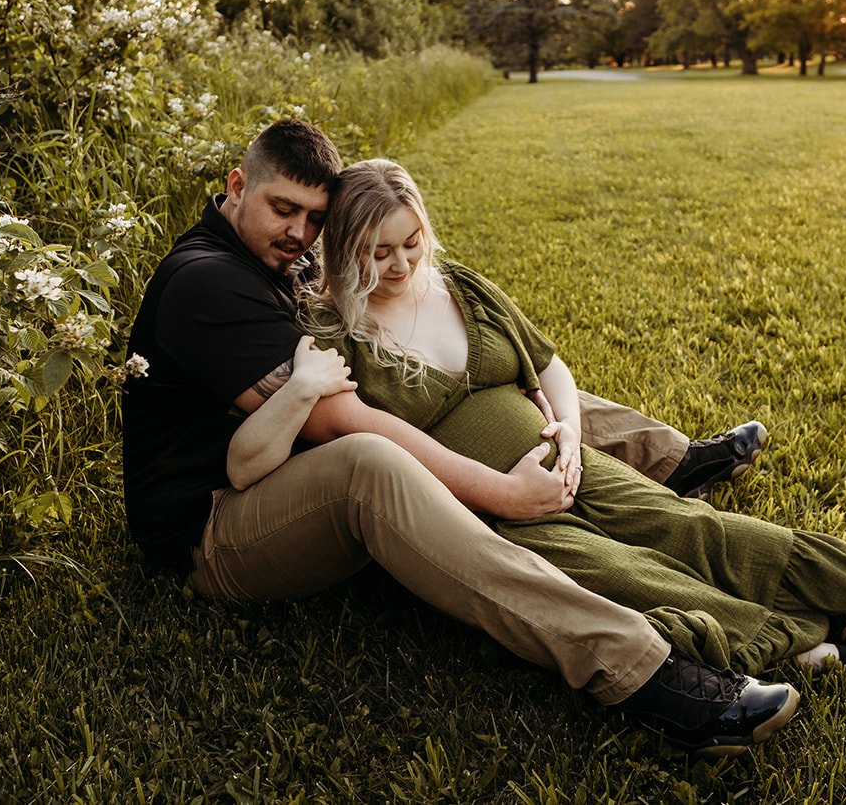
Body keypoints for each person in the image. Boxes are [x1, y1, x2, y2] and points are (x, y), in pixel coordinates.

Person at [121, 120, 801, 756]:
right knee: (372, 460)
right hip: (214, 528)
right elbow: (344, 419)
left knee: (483, 379)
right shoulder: (207, 283)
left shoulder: (268, 254)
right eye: (282, 208)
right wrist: (501, 489)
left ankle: (675, 462)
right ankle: (644, 672)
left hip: (279, 480)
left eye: (315, 219)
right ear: (236, 188)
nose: (299, 232)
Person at [248, 157, 846, 708]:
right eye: (376, 251)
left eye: (410, 242)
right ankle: (835, 651)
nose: (398, 263)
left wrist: (573, 439)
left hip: (564, 465)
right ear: (343, 246)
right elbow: (381, 437)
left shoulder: (458, 285)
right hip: (484, 508)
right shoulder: (327, 328)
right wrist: (512, 494)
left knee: (690, 526)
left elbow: (549, 366)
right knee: (631, 576)